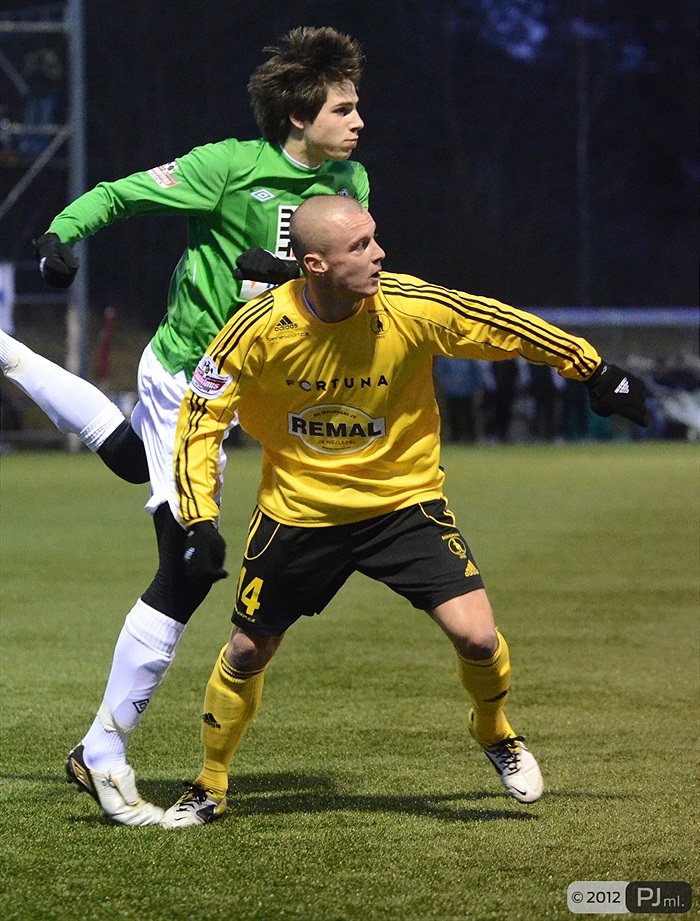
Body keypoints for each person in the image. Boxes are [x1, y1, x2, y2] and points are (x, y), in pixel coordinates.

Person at [160, 195, 649, 827]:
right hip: (299, 513)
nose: (379, 254)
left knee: (477, 636)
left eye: (373, 238)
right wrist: (199, 520)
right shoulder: (256, 329)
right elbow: (201, 419)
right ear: (315, 264)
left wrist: (593, 370)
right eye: (359, 246)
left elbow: (499, 325)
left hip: (403, 503)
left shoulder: (407, 305)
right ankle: (210, 783)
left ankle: (494, 730)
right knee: (247, 650)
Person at [0, 27, 368, 826]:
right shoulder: (227, 166)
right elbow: (122, 193)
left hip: (256, 386)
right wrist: (62, 233)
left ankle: (6, 352)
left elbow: (343, 274)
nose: (358, 121)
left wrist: (294, 280)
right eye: (343, 108)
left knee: (134, 464)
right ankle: (102, 751)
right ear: (299, 116)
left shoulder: (351, 179)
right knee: (190, 565)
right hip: (187, 378)